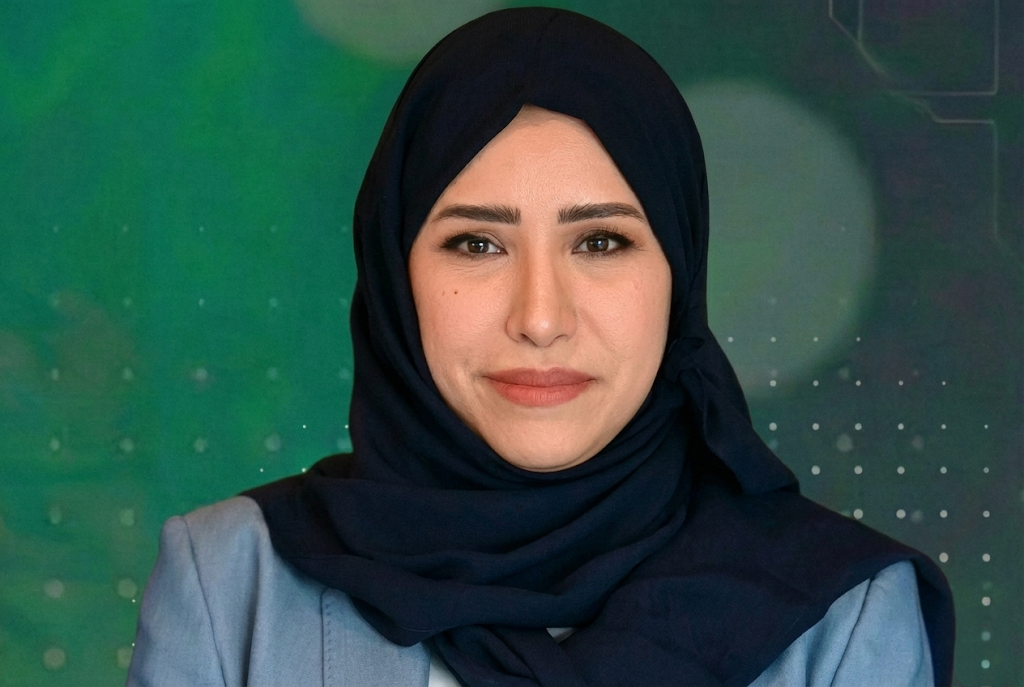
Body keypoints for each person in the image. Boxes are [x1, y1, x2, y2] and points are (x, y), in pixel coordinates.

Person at [127, 8, 954, 686]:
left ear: (680, 272)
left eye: (600, 242)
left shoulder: (841, 617)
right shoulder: (231, 582)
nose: (541, 316)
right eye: (477, 244)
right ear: (393, 275)